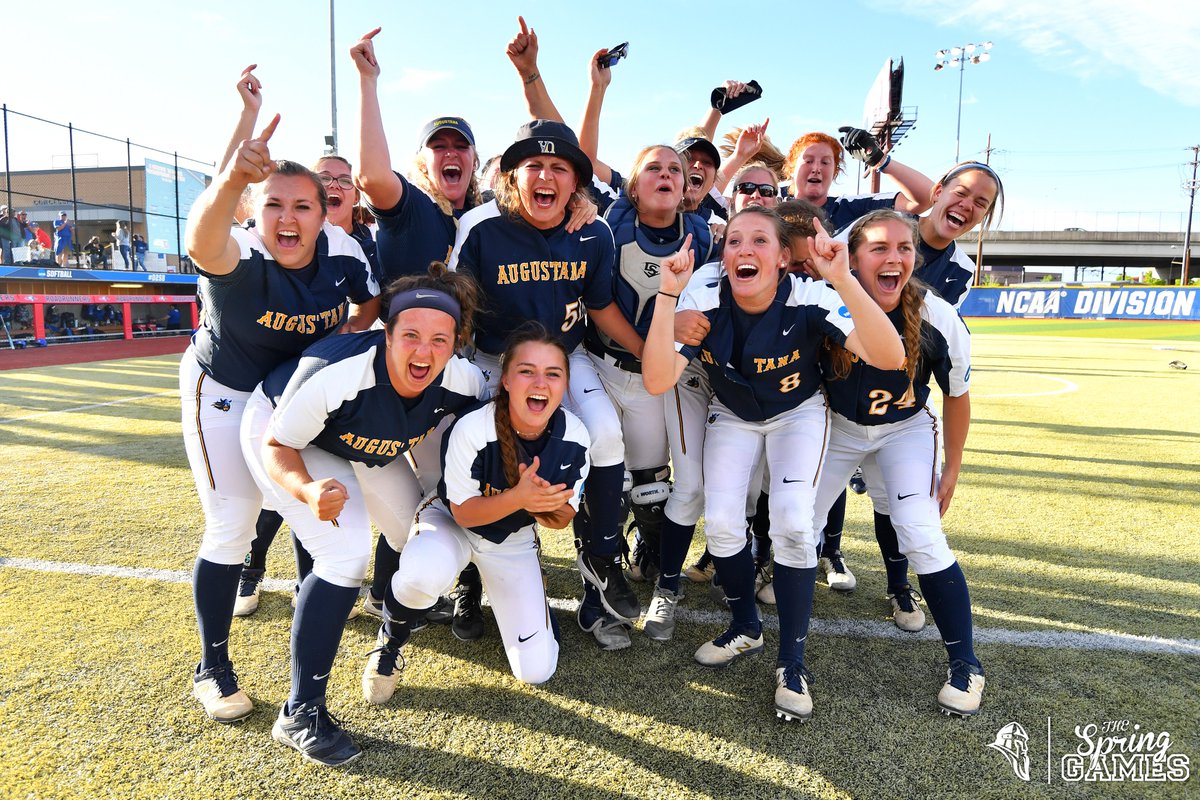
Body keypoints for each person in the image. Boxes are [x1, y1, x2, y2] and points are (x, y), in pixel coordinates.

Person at [641, 206, 904, 722]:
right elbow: (656, 380)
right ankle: (746, 626)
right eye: (735, 240)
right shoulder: (702, 293)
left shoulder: (809, 296)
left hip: (797, 413)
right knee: (721, 523)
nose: (744, 249)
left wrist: (844, 280)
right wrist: (668, 299)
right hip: (733, 413)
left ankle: (793, 662)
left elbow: (890, 356)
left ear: (784, 257)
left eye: (760, 240)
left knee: (791, 521)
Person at [180, 102, 380, 731]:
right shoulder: (240, 250)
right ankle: (212, 666)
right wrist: (232, 179)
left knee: (311, 509)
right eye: (273, 205)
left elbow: (368, 307)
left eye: (302, 206)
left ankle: (307, 596)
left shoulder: (344, 252)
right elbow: (200, 241)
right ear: (253, 210)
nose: (287, 218)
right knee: (231, 524)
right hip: (227, 389)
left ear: (325, 214)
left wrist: (334, 348)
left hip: (290, 398)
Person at [242, 267, 486, 766]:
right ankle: (300, 712)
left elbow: (484, 426)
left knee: (416, 537)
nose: (425, 351)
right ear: (386, 333)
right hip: (292, 437)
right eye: (411, 335)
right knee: (345, 556)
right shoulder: (339, 372)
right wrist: (306, 489)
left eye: (440, 340)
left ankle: (386, 626)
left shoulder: (464, 380)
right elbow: (278, 443)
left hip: (365, 443)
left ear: (455, 343)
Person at [450, 118, 648, 645]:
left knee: (605, 435)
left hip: (564, 356)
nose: (545, 176)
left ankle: (601, 559)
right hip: (492, 359)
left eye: (559, 167)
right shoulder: (480, 225)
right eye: (533, 165)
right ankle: (469, 577)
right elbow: (456, 306)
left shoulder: (594, 229)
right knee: (469, 450)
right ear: (510, 175)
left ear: (575, 182)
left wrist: (646, 352)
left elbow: (600, 305)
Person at [813, 208, 984, 716]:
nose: (894, 258)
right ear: (853, 258)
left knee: (920, 531)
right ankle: (782, 643)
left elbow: (957, 394)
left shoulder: (938, 315)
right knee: (797, 524)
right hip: (837, 426)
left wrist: (952, 466)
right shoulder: (825, 300)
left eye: (904, 248)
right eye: (879, 248)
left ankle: (966, 663)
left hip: (904, 427)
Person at [363, 322, 588, 703]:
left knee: (536, 671)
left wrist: (543, 505)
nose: (540, 383)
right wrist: (522, 498)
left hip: (510, 538)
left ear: (565, 384)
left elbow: (564, 516)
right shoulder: (473, 428)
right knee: (421, 574)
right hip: (450, 522)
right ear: (506, 381)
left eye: (553, 374)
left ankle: (532, 603)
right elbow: (465, 514)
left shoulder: (575, 435)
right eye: (527, 371)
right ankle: (390, 641)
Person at [866, 162, 1003, 633]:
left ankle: (898, 585)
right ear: (939, 190)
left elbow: (929, 334)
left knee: (892, 503)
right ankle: (824, 556)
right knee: (808, 495)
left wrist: (953, 464)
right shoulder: (887, 223)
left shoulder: (960, 270)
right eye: (961, 192)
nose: (967, 206)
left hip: (897, 399)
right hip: (839, 390)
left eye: (981, 203)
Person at [783, 128, 934, 233]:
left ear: (835, 172)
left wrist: (879, 160)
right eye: (808, 161)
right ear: (791, 168)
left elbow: (928, 197)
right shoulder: (773, 201)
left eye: (825, 162)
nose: (816, 168)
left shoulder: (849, 208)